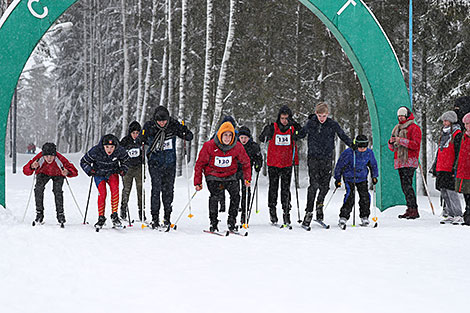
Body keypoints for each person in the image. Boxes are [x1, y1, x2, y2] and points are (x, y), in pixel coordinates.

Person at [296, 102, 353, 227]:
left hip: (327, 158)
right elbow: (300, 134)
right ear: (316, 114)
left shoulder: (332, 124)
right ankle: (309, 212)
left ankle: (319, 205)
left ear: (328, 114)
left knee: (325, 186)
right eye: (320, 115)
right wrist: (294, 131)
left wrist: (352, 144)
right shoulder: (311, 123)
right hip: (313, 158)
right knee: (314, 185)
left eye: (324, 116)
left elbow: (342, 135)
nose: (322, 118)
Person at [141, 106, 193, 229]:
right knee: (156, 189)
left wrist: (184, 131)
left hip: (170, 164)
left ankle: (167, 217)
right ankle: (155, 218)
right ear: (155, 120)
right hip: (155, 163)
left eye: (164, 121)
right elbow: (140, 140)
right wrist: (142, 139)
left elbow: (189, 137)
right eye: (159, 121)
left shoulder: (173, 124)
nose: (162, 123)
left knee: (168, 191)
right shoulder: (149, 126)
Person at [194, 122, 251, 231]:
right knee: (215, 196)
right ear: (220, 134)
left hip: (230, 175)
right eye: (225, 135)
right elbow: (200, 164)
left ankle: (232, 222)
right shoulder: (209, 145)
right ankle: (213, 223)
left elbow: (246, 162)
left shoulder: (237, 146)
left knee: (236, 196)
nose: (227, 138)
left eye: (230, 135)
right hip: (213, 175)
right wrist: (198, 182)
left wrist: (247, 178)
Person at [259, 105, 301, 226]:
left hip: (287, 163)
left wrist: (296, 127)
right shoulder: (273, 127)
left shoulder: (293, 128)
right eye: (282, 118)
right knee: (273, 188)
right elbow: (262, 139)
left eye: (286, 118)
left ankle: (286, 211)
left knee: (286, 188)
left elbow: (301, 134)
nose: (284, 121)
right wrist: (265, 132)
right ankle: (272, 210)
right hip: (274, 163)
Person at [80, 134, 129, 229]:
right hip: (99, 174)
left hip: (112, 172)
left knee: (115, 190)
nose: (109, 150)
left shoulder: (119, 150)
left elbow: (126, 160)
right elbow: (83, 161)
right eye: (107, 147)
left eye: (112, 147)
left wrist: (123, 169)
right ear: (103, 146)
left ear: (115, 147)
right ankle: (101, 217)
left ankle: (114, 215)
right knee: (102, 193)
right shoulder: (96, 151)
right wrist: (89, 170)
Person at [23, 142, 78, 225]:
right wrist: (31, 166)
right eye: (46, 156)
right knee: (38, 189)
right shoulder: (39, 157)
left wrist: (67, 172)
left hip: (58, 174)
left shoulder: (59, 158)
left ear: (55, 155)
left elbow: (75, 171)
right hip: (43, 173)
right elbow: (25, 171)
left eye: (51, 156)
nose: (49, 158)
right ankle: (39, 214)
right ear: (43, 155)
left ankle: (60, 215)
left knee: (57, 191)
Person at [334, 135, 378, 227]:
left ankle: (364, 216)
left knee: (365, 196)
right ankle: (343, 217)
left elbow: (373, 165)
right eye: (360, 147)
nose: (362, 149)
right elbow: (339, 165)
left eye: (364, 147)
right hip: (349, 177)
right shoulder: (349, 152)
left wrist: (374, 176)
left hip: (362, 178)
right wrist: (337, 178)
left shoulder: (369, 153)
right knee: (350, 196)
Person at [388, 106, 422, 219]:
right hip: (400, 161)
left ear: (407, 116)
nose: (400, 118)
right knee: (404, 186)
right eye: (399, 116)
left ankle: (414, 209)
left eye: (402, 116)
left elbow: (415, 145)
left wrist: (400, 140)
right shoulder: (397, 128)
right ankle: (409, 207)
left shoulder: (414, 128)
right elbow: (393, 148)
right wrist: (392, 142)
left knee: (407, 186)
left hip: (409, 160)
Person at [430, 111, 463, 224]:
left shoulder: (457, 134)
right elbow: (439, 152)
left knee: (451, 191)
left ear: (452, 121)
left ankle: (458, 213)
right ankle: (450, 213)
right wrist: (435, 167)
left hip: (450, 167)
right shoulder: (443, 135)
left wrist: (455, 167)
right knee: (443, 191)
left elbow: (458, 152)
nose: (444, 123)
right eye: (443, 121)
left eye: (446, 121)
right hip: (441, 167)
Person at [119, 121, 145, 221]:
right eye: (133, 133)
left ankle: (141, 211)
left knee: (140, 189)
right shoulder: (125, 141)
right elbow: (120, 152)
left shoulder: (141, 140)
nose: (135, 135)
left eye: (137, 133)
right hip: (128, 168)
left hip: (138, 167)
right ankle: (123, 209)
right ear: (130, 132)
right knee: (126, 189)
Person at [237, 126, 263, 225]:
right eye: (242, 138)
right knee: (235, 191)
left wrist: (258, 165)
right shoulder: (235, 145)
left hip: (247, 171)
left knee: (246, 191)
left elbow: (259, 157)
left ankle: (244, 213)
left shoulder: (253, 146)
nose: (243, 140)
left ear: (249, 138)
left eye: (246, 138)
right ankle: (235, 212)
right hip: (235, 170)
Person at [456, 113, 470, 226]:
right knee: (466, 194)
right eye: (465, 124)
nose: (466, 126)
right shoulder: (464, 136)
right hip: (464, 170)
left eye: (468, 123)